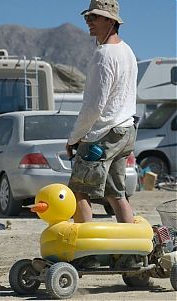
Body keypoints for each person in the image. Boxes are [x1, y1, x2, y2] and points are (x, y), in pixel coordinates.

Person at [66, 0, 138, 224]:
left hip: (102, 135)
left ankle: (87, 258)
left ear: (110, 20)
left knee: (79, 191)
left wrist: (74, 138)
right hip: (125, 131)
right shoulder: (127, 51)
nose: (88, 22)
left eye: (93, 17)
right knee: (116, 194)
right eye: (87, 17)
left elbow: (94, 107)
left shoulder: (104, 55)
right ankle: (131, 255)